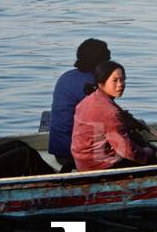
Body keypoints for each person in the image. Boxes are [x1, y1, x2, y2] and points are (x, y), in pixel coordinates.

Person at [71, 61, 157, 172]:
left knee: (134, 138)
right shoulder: (109, 111)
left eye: (123, 80)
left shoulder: (89, 100)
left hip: (83, 161)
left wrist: (126, 121)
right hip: (98, 166)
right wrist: (146, 152)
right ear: (101, 83)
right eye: (115, 80)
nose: (120, 84)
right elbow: (127, 151)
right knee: (146, 150)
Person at [48, 38, 112, 172]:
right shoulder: (94, 84)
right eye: (107, 54)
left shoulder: (66, 76)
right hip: (73, 153)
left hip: (58, 148)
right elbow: (104, 124)